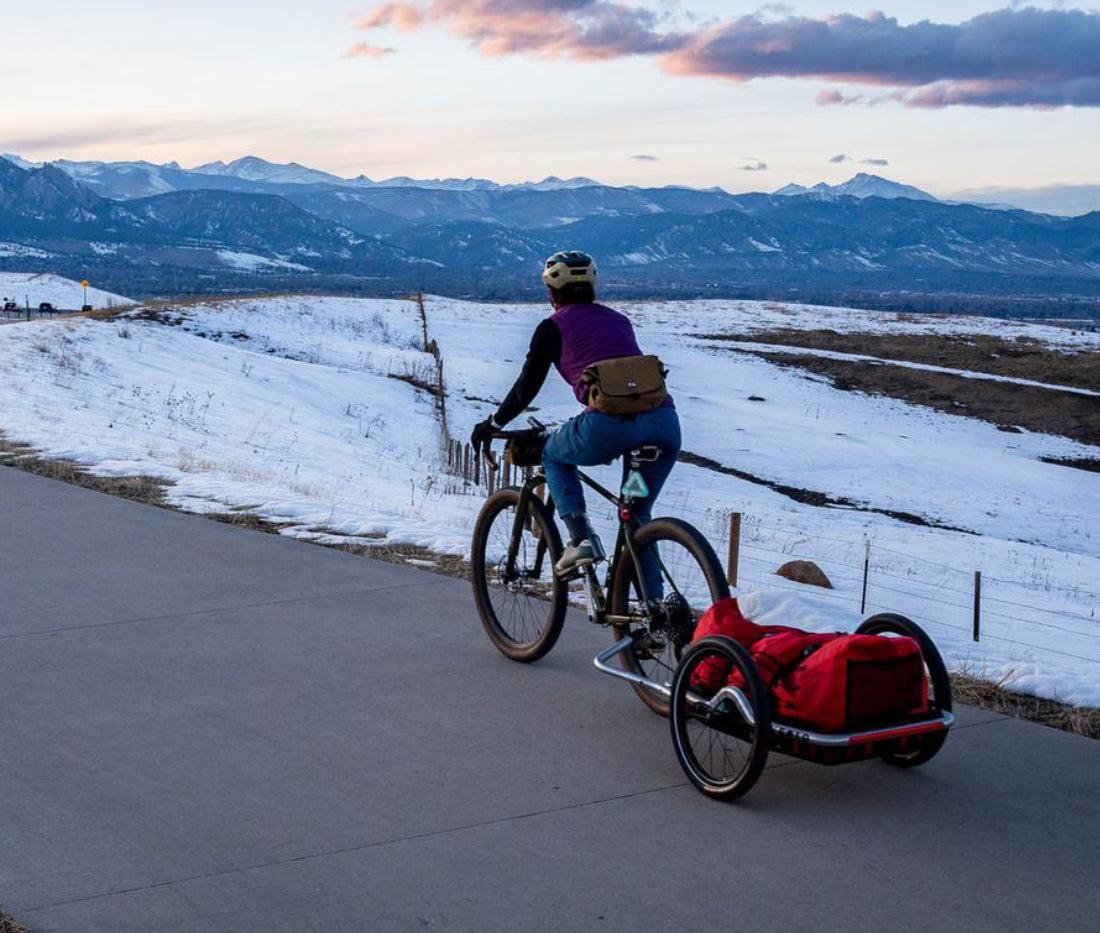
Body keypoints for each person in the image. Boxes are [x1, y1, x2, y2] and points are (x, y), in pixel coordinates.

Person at [471, 250, 681, 582]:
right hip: (664, 424)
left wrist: (494, 423)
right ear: (593, 286)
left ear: (551, 293)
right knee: (638, 515)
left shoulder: (551, 327)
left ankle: (580, 539)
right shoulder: (618, 320)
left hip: (609, 427)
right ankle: (654, 612)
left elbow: (527, 385)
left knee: (553, 454)